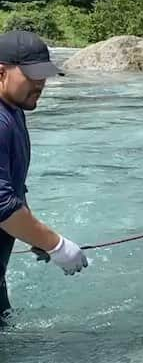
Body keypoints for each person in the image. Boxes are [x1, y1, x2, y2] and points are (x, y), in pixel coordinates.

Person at [0, 26, 88, 314]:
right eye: (32, 75)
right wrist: (57, 245)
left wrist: (35, 236)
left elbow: (12, 188)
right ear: (1, 72)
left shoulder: (13, 111)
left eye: (44, 75)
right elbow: (0, 204)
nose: (41, 83)